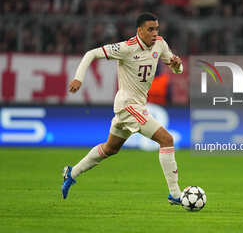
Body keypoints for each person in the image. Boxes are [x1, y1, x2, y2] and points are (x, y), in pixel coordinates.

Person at [62, 12, 183, 205]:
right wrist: (79, 78)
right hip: (128, 106)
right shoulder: (126, 48)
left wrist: (178, 66)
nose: (154, 33)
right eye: (150, 29)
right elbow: (91, 54)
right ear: (139, 30)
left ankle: (71, 172)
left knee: (110, 148)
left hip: (135, 105)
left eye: (156, 29)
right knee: (166, 139)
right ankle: (175, 194)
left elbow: (177, 68)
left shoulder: (160, 43)